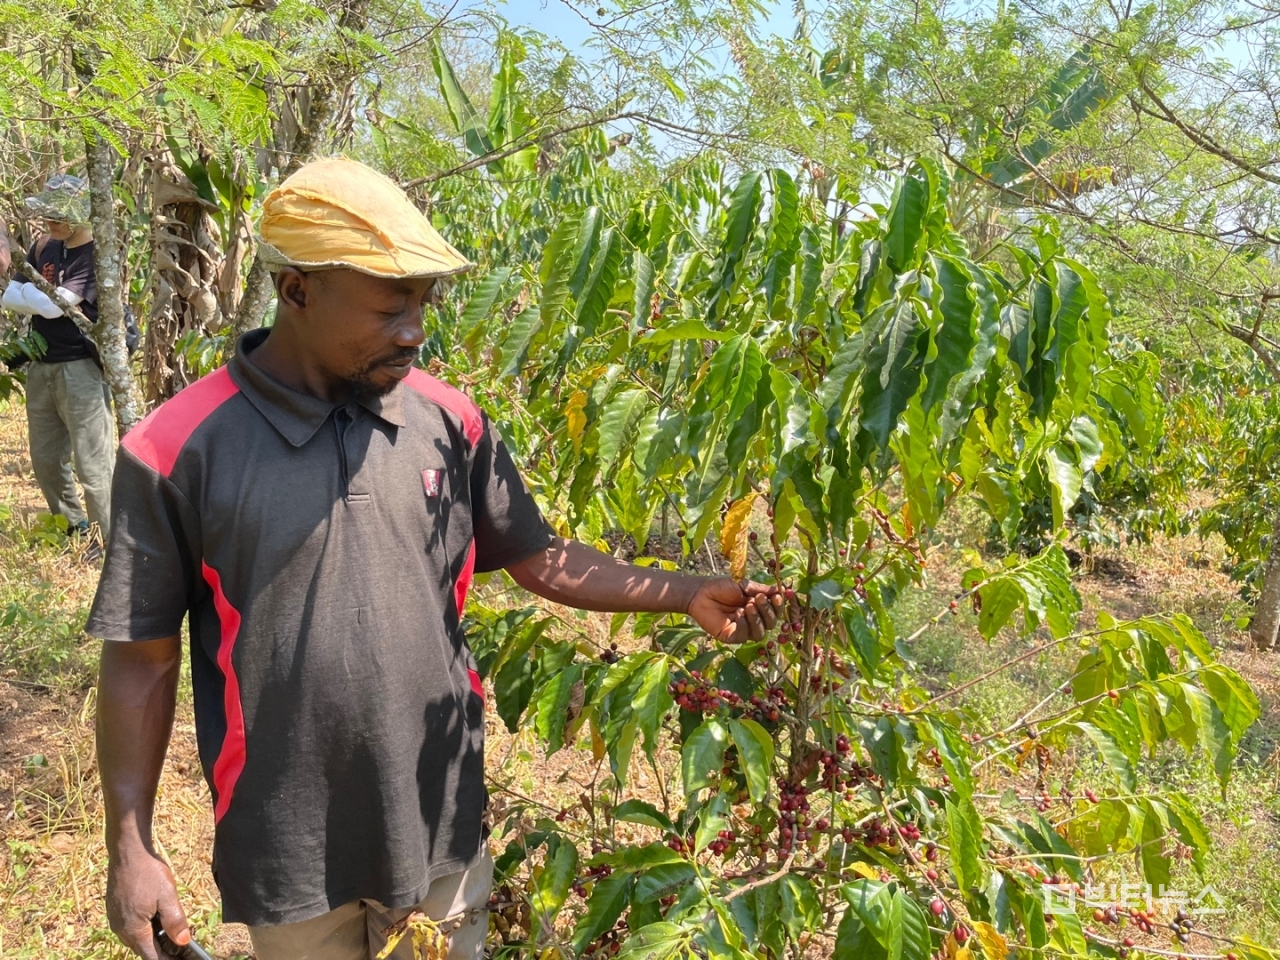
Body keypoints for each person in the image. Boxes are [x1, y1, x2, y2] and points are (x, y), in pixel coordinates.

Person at [89, 158, 783, 960]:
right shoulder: (175, 449)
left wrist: (686, 591)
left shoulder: (448, 421)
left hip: (439, 818)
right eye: (391, 304)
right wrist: (130, 847)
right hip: (286, 841)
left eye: (424, 301)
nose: (415, 329)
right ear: (298, 290)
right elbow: (139, 658)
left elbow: (540, 557)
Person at [1, 174, 115, 548]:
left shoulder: (95, 254)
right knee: (46, 459)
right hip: (42, 365)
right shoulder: (42, 246)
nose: (50, 222)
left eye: (58, 215)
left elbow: (53, 306)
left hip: (80, 366)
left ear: (79, 215)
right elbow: (11, 296)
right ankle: (73, 528)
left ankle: (107, 542)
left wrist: (36, 297)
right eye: (47, 214)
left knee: (93, 464)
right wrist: (41, 299)